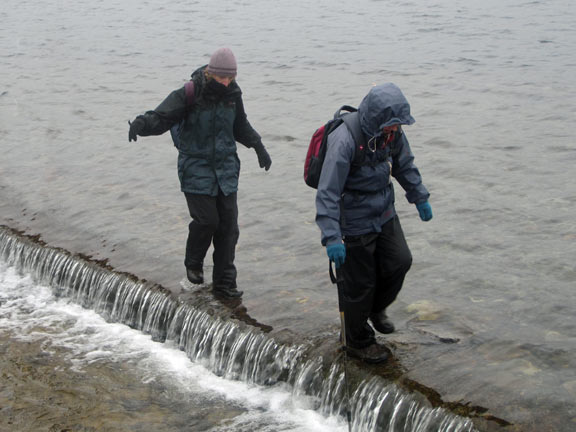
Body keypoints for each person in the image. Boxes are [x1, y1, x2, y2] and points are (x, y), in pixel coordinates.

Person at [128, 47, 271, 298]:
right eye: (222, 77)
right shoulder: (191, 91)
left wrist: (258, 146)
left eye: (231, 78)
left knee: (228, 228)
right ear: (211, 73)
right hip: (196, 168)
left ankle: (225, 284)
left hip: (226, 169)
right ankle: (193, 264)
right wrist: (141, 124)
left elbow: (240, 125)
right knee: (207, 221)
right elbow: (163, 116)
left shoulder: (233, 95)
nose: (226, 82)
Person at [315, 83, 432, 363]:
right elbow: (328, 191)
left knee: (400, 261)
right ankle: (356, 341)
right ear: (377, 119)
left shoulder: (393, 135)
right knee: (359, 284)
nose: (395, 131)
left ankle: (376, 310)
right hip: (353, 220)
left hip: (384, 212)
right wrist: (332, 237)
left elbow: (404, 165)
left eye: (398, 126)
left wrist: (419, 197)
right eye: (391, 125)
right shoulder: (344, 140)